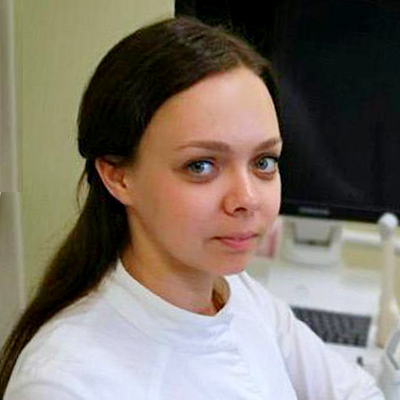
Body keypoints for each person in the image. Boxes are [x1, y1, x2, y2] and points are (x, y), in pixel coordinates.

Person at [0, 16, 384, 400]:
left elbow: (358, 392)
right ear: (118, 177)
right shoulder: (63, 384)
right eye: (201, 166)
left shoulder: (236, 291)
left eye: (264, 161)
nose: (247, 199)